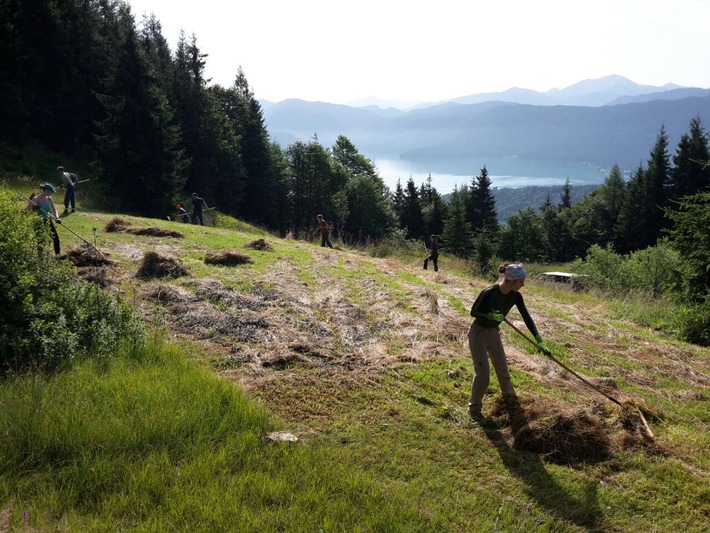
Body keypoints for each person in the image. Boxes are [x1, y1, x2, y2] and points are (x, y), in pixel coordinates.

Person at [466, 263, 551, 419]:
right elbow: (474, 311)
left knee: (503, 371)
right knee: (483, 374)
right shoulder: (489, 292)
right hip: (478, 333)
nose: (523, 285)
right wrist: (489, 315)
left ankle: (512, 404)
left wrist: (539, 340)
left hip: (494, 333)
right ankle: (474, 409)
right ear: (512, 280)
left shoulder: (516, 296)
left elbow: (526, 316)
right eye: (521, 282)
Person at [26, 183, 62, 255]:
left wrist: (57, 217)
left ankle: (58, 255)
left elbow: (54, 209)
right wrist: (33, 207)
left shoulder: (49, 199)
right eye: (51, 191)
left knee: (55, 237)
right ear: (46, 191)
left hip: (48, 219)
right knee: (40, 239)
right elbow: (27, 210)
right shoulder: (36, 199)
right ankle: (40, 257)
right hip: (38, 221)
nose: (52, 193)